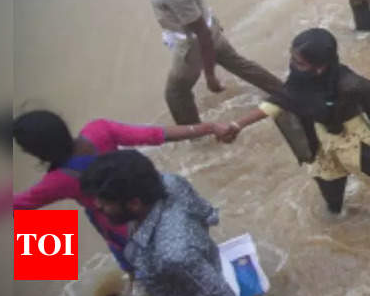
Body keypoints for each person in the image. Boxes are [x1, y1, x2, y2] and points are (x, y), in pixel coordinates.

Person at [219, 28, 370, 214]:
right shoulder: (299, 81)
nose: (293, 65)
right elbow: (278, 103)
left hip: (354, 140)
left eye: (299, 63)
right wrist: (237, 125)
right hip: (323, 144)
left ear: (320, 67)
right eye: (292, 58)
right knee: (331, 198)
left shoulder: (348, 83)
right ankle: (337, 222)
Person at [12, 111, 233, 276]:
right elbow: (157, 134)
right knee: (187, 250)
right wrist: (210, 127)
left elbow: (19, 205)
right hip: (152, 201)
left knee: (150, 272)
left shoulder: (57, 181)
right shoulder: (99, 130)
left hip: (125, 231)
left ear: (37, 151)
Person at [107, 0, 285, 125]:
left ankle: (196, 137)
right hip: (209, 23)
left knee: (176, 93)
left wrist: (209, 76)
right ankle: (285, 93)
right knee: (239, 64)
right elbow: (203, 27)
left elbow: (201, 34)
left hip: (195, 43)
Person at [80, 149, 240, 296]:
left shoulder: (172, 256)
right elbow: (208, 214)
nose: (97, 206)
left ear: (134, 204)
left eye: (105, 203)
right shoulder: (169, 182)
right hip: (204, 268)